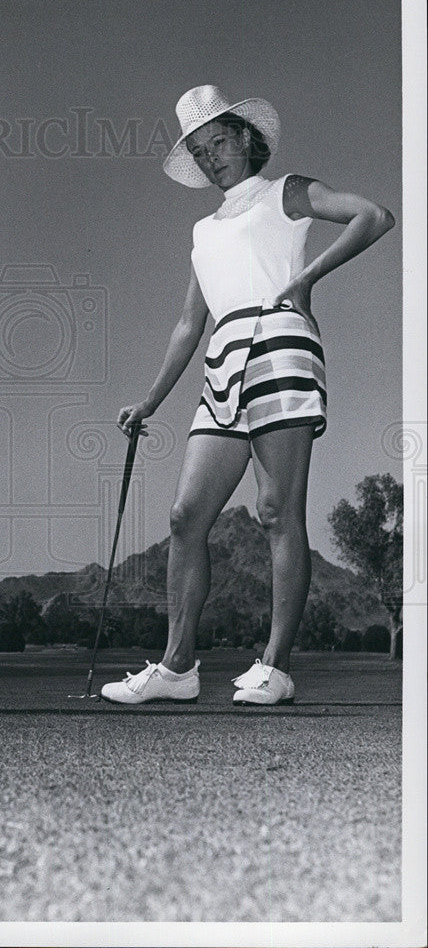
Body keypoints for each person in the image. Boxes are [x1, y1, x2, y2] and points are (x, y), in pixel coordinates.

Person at [101, 85, 395, 706]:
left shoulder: (285, 190)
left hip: (280, 342)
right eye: (199, 151)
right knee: (186, 517)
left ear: (244, 138)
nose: (211, 158)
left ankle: (276, 666)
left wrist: (307, 278)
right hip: (222, 360)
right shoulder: (202, 230)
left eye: (219, 143)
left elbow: (374, 216)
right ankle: (178, 669)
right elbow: (189, 323)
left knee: (274, 512)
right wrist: (150, 401)